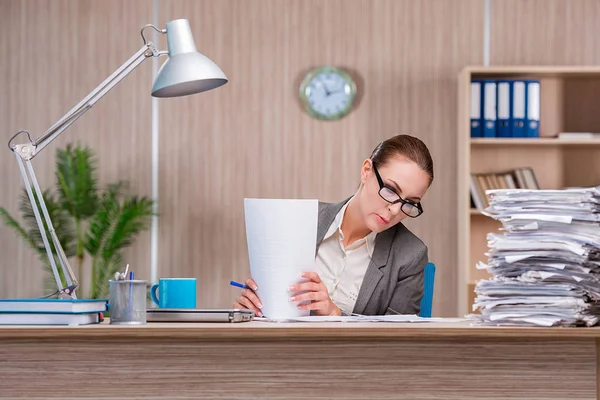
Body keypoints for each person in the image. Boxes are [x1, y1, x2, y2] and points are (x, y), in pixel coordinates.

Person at [233, 134, 434, 317]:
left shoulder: (410, 255)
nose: (395, 210)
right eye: (390, 190)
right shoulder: (301, 220)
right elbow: (270, 310)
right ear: (366, 171)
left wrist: (335, 315)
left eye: (410, 203)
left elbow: (397, 343)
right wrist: (251, 311)